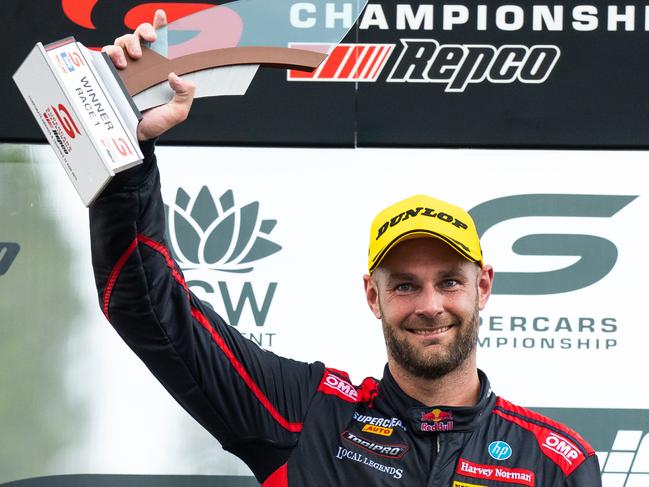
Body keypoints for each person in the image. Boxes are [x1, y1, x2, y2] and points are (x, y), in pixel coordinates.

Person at [91, 10, 602, 486]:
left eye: (449, 281)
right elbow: (149, 307)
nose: (429, 306)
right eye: (404, 285)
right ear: (373, 296)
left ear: (482, 286)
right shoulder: (308, 415)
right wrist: (127, 151)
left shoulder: (557, 462)